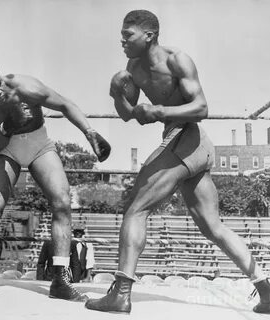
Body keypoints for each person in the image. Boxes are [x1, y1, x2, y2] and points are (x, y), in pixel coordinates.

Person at [85, 10, 270, 314]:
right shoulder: (132, 67)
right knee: (214, 227)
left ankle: (121, 293)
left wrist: (159, 111)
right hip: (186, 145)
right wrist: (118, 96)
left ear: (149, 35)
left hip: (188, 138)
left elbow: (201, 107)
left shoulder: (177, 60)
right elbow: (130, 114)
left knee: (136, 208)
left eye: (127, 34)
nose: (121, 40)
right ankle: (266, 289)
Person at [0, 60, 111, 300]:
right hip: (7, 149)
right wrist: (6, 129)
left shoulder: (25, 87)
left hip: (39, 144)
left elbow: (65, 104)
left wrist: (90, 133)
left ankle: (60, 280)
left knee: (62, 201)